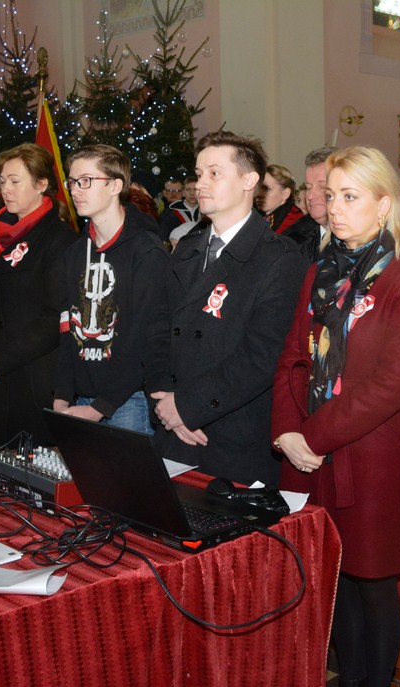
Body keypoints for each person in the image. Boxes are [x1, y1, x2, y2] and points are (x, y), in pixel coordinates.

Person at [271, 146, 400, 687]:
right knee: (330, 579)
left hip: (368, 453)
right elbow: (294, 357)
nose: (332, 207)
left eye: (348, 196)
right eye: (328, 195)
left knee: (371, 582)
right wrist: (287, 432)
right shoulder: (320, 270)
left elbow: (392, 383)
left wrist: (312, 435)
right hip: (309, 452)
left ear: (384, 203)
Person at [153, 130, 307, 487]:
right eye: (199, 173)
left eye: (214, 173)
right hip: (173, 427)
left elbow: (261, 357)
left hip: (231, 435)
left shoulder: (278, 258)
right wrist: (163, 401)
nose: (200, 183)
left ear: (249, 181)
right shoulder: (188, 248)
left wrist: (189, 407)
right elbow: (158, 328)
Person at [52, 144, 172, 433]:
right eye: (72, 181)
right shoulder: (75, 253)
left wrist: (102, 406)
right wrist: (61, 392)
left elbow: (145, 337)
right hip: (81, 396)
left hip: (126, 401)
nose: (75, 190)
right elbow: (68, 325)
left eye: (86, 181)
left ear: (116, 185)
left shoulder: (146, 251)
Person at [0, 144, 78, 446]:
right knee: (1, 472)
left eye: (15, 181)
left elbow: (54, 319)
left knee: (36, 477)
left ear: (42, 185)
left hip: (36, 378)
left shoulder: (60, 239)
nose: (5, 189)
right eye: (2, 182)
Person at [282, 146, 335, 263]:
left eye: (322, 187)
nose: (310, 196)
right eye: (308, 188)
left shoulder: (363, 238)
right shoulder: (292, 239)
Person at [259, 164, 305, 234]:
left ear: (285, 194)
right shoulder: (252, 214)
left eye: (267, 189)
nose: (259, 194)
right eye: (258, 188)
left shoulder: (295, 221)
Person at [158, 175, 200, 239]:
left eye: (195, 189)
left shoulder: (205, 212)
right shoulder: (171, 212)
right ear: (183, 193)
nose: (192, 193)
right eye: (188, 190)